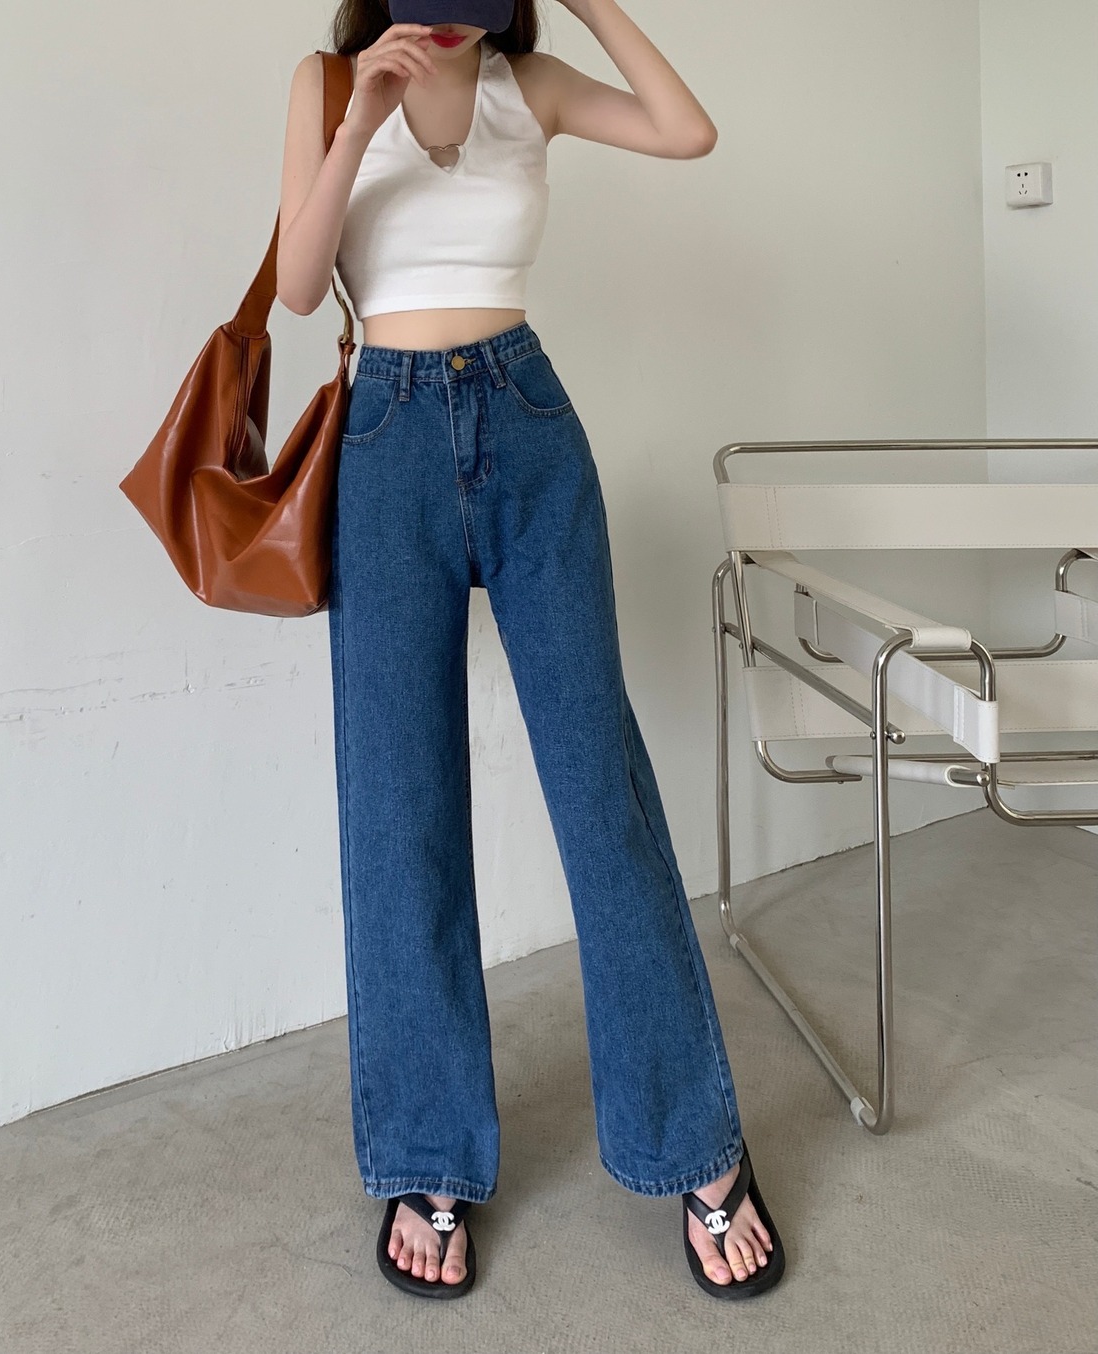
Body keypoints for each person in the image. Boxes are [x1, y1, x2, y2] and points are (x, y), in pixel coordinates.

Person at [276, 0, 785, 1301]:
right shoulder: (327, 81)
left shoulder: (533, 82)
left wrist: (592, 1)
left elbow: (687, 130)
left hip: (528, 422)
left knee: (602, 796)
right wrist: (363, 119)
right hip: (385, 444)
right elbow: (295, 284)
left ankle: (694, 1142)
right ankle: (428, 1154)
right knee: (400, 808)